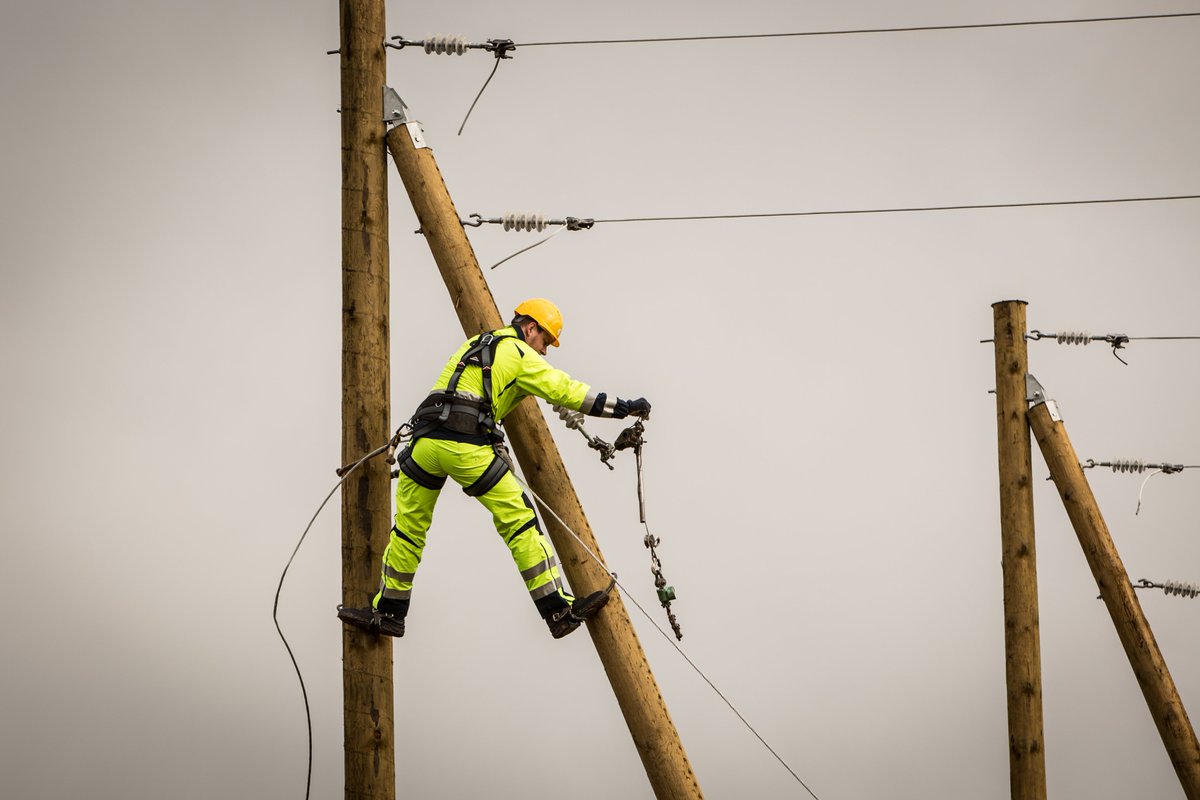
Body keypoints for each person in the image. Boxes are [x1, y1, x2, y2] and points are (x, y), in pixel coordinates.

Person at [338, 298, 651, 640]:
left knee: (408, 532)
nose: (545, 351)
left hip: (424, 445)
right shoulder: (518, 353)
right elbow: (568, 391)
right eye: (545, 341)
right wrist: (625, 408)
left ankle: (389, 614)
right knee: (519, 522)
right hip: (466, 447)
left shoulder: (475, 343)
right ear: (530, 328)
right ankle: (557, 610)